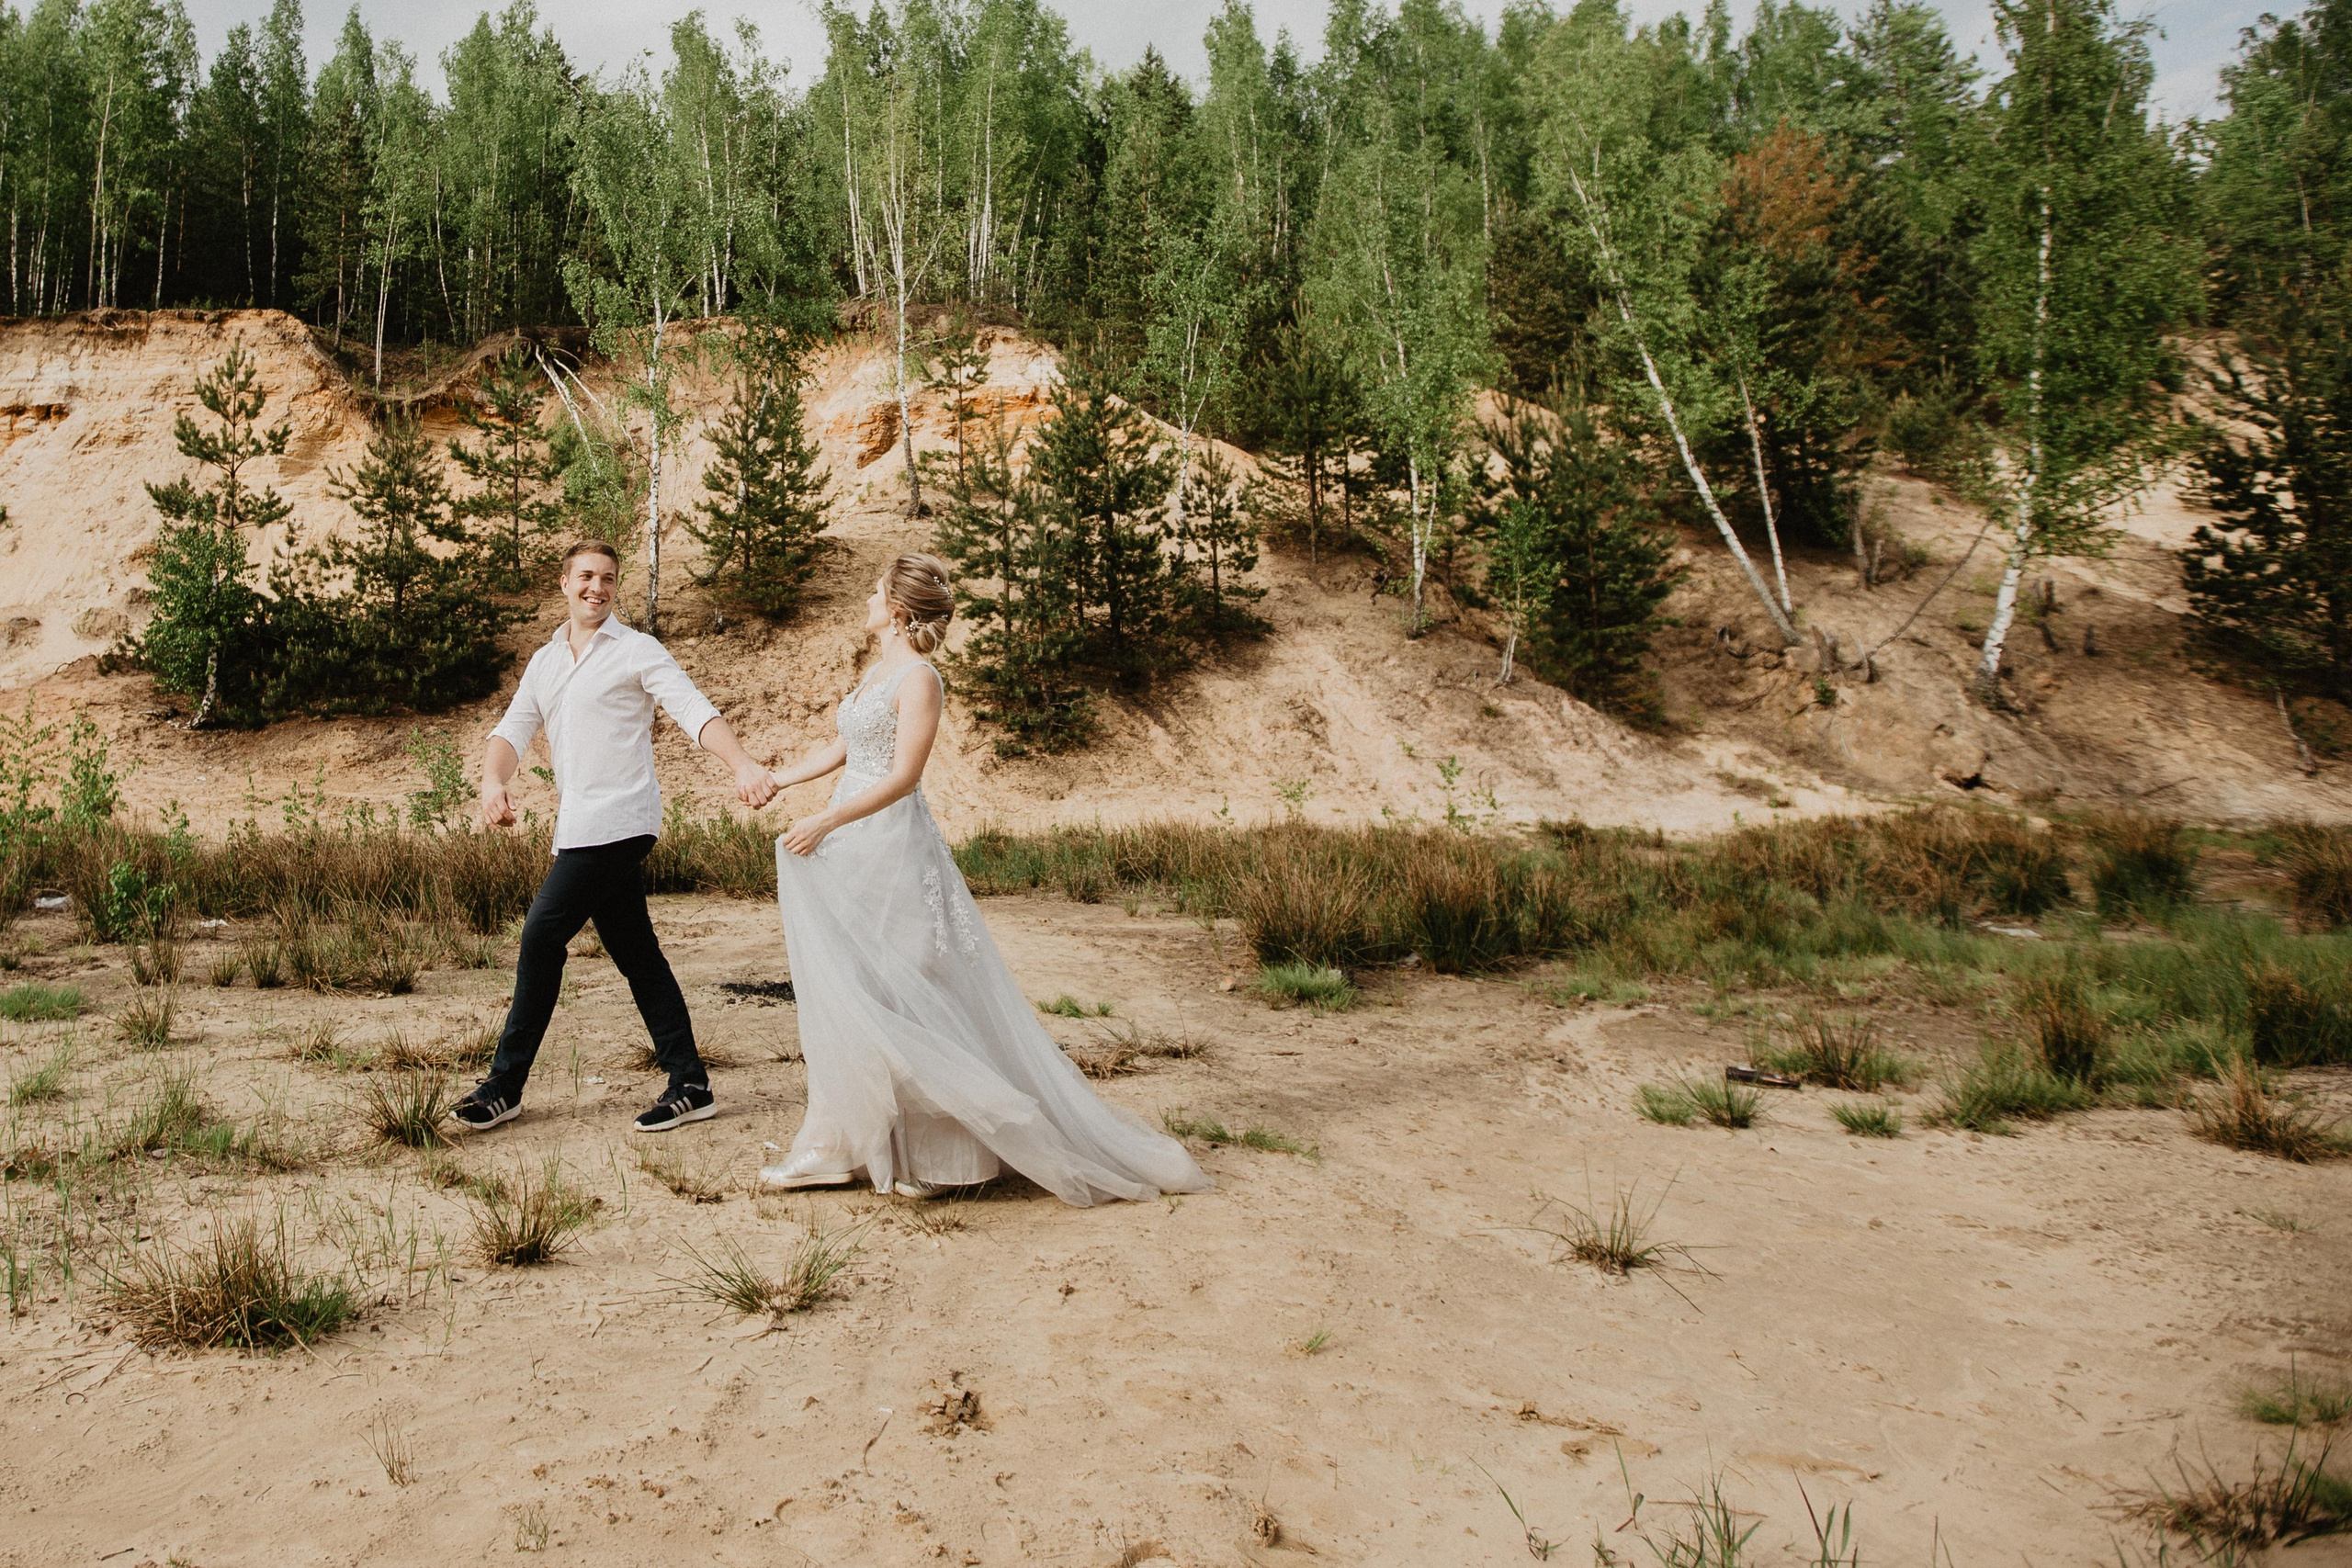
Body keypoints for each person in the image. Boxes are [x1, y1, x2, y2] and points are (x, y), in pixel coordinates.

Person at [756, 552, 1211, 1205]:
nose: (866, 597)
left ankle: (948, 1160)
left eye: (876, 590)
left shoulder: (921, 679)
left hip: (890, 843)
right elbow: (844, 750)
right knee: (860, 986)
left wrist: (825, 820)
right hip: (852, 839)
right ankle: (844, 1142)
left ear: (900, 609)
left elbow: (902, 776)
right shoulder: (875, 671)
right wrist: (782, 779)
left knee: (917, 988)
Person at [455, 539, 778, 1134]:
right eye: (585, 576)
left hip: (622, 820)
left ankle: (505, 1085)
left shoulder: (636, 649)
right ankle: (690, 1083)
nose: (595, 588)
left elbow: (691, 707)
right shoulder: (546, 661)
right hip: (577, 826)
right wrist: (491, 781)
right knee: (637, 955)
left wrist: (740, 764)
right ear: (564, 583)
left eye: (607, 578)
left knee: (541, 933)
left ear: (615, 587)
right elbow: (512, 729)